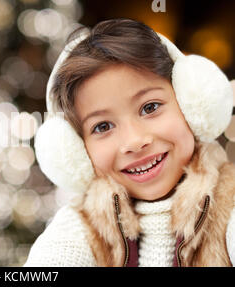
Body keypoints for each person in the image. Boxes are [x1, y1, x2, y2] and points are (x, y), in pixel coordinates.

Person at [25, 18, 235, 267]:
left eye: (150, 107)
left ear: (190, 103)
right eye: (102, 126)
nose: (134, 142)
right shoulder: (78, 229)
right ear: (78, 150)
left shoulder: (229, 205)